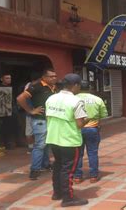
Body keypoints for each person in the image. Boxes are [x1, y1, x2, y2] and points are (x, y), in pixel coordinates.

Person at [45, 74, 89, 207]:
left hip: (53, 138)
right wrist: (87, 118)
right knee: (68, 170)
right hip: (69, 140)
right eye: (79, 85)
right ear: (75, 85)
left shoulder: (51, 98)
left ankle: (57, 192)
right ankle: (68, 198)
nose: (79, 88)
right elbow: (80, 124)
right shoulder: (76, 101)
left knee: (58, 166)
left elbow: (48, 118)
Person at [17, 68, 57, 180]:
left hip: (49, 120)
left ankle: (46, 164)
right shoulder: (36, 86)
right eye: (51, 76)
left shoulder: (54, 87)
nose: (54, 78)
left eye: (55, 76)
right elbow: (20, 98)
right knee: (39, 145)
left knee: (45, 144)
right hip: (40, 120)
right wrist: (30, 110)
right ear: (44, 77)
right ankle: (34, 170)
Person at [74, 81, 108, 184]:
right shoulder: (97, 99)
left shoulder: (73, 99)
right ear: (90, 88)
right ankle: (93, 176)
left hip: (77, 129)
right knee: (92, 152)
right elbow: (103, 115)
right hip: (93, 129)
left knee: (78, 154)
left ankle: (77, 176)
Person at [0, 73, 19, 149]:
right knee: (5, 127)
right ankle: (6, 143)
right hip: (4, 110)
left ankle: (12, 142)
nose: (9, 80)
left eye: (10, 78)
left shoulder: (12, 87)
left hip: (13, 109)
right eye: (7, 78)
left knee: (14, 126)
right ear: (2, 79)